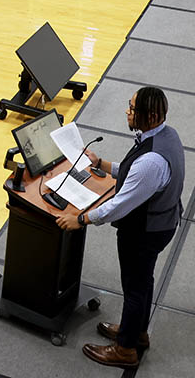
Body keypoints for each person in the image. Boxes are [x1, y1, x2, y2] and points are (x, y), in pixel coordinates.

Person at [57, 87, 185, 370]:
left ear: (150, 116)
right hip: (162, 222)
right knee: (143, 281)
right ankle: (137, 331)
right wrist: (101, 164)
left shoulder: (153, 161)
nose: (127, 111)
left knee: (135, 287)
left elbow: (119, 204)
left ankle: (125, 349)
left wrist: (80, 220)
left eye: (131, 108)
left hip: (145, 231)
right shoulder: (166, 134)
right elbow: (133, 173)